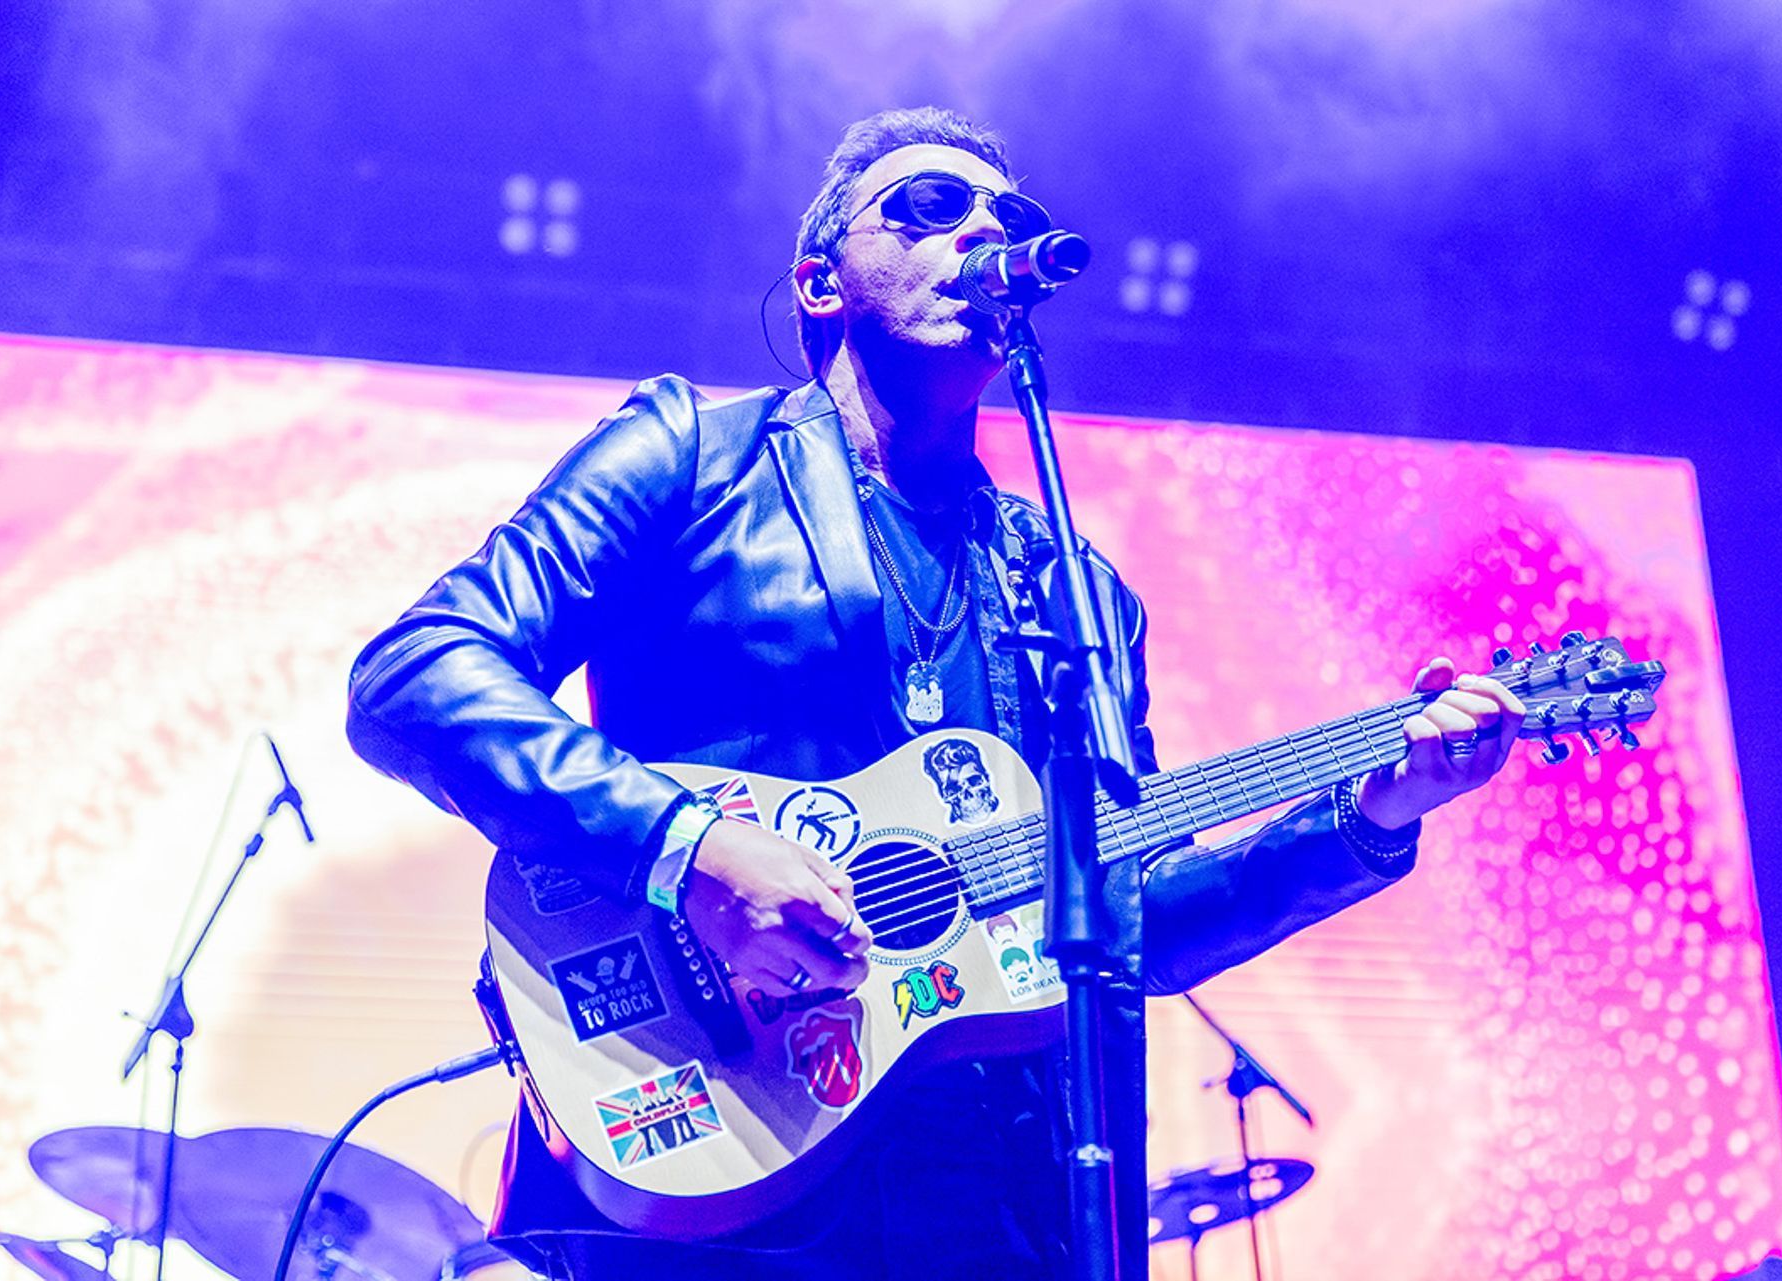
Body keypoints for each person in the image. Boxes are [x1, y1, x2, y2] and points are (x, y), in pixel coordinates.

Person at [346, 106, 1525, 1281]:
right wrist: (690, 849)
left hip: (998, 1216)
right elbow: (418, 672)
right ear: (821, 281)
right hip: (721, 1167)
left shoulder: (1077, 592)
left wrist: (1372, 814)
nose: (978, 231)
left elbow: (1128, 922)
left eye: (1006, 217)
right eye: (926, 208)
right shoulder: (692, 459)